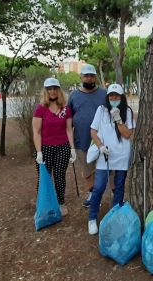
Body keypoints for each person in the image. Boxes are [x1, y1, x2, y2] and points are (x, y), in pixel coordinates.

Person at [87, 84, 136, 234]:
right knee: (99, 187)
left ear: (122, 97)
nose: (113, 98)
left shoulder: (127, 112)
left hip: (121, 156)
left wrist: (118, 120)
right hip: (105, 155)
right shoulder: (101, 111)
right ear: (107, 97)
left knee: (119, 187)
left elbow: (128, 134)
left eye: (117, 95)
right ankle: (92, 218)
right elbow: (93, 132)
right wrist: (101, 146)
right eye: (111, 95)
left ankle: (116, 216)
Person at [32, 78, 76, 216]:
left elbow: (69, 129)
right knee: (43, 177)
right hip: (45, 148)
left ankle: (61, 202)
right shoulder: (40, 109)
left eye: (55, 88)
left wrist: (72, 148)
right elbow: (36, 132)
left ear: (59, 90)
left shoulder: (65, 109)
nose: (52, 91)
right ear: (46, 91)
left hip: (62, 147)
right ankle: (43, 203)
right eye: (49, 89)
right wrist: (39, 151)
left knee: (59, 176)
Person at [68, 64, 107, 207]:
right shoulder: (73, 96)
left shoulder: (104, 94)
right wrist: (70, 144)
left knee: (102, 169)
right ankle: (92, 194)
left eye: (91, 76)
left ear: (95, 77)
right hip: (81, 140)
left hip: (102, 140)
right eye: (86, 75)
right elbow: (68, 120)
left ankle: (101, 193)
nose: (89, 78)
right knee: (87, 171)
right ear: (81, 77)